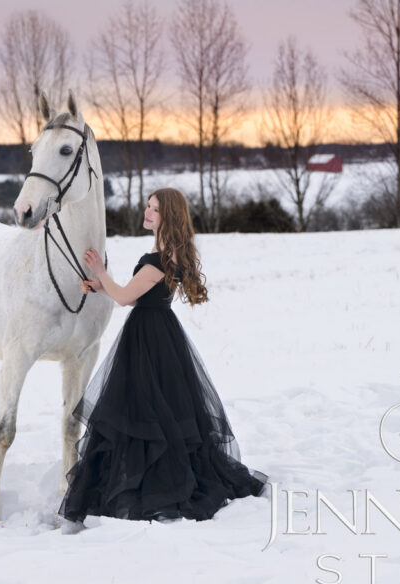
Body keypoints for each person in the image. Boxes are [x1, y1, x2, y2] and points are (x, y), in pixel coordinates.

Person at [58, 188, 268, 533]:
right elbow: (133, 295)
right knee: (156, 410)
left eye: (154, 209)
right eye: (148, 206)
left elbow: (124, 298)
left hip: (149, 339)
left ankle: (151, 487)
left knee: (146, 412)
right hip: (157, 333)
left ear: (167, 216)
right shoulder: (164, 255)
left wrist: (100, 271)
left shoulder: (158, 260)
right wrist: (100, 286)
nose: (147, 212)